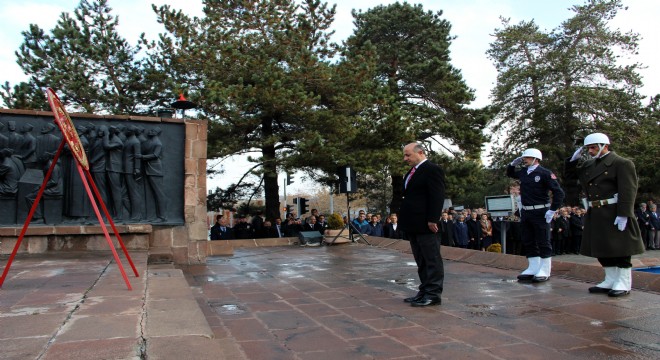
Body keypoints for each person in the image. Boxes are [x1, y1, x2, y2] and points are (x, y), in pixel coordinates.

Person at [565, 132, 644, 297]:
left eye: (593, 147)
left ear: (604, 146)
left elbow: (628, 189)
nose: (590, 151)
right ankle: (610, 279)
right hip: (596, 211)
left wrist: (624, 213)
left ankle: (623, 282)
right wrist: (572, 162)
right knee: (601, 248)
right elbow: (571, 177)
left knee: (620, 249)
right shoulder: (589, 165)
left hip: (613, 210)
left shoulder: (621, 163)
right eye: (588, 148)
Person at [507, 148, 565, 282]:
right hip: (526, 211)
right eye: (523, 158)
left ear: (535, 159)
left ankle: (545, 269)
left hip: (540, 211)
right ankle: (533, 267)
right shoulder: (524, 172)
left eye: (527, 158)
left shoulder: (544, 173)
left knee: (543, 241)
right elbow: (510, 174)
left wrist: (553, 209)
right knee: (528, 239)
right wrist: (512, 164)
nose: (524, 160)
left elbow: (559, 193)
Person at [398, 142, 445, 307]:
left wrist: (433, 218)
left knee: (431, 259)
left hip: (426, 224)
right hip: (414, 224)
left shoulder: (432, 169)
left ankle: (433, 294)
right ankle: (424, 290)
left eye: (408, 155)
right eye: (404, 155)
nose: (405, 158)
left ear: (421, 152)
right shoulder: (411, 172)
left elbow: (437, 196)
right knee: (421, 260)